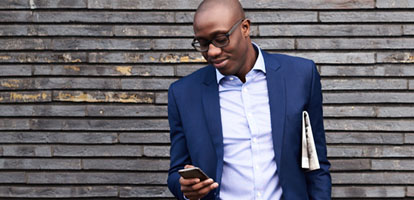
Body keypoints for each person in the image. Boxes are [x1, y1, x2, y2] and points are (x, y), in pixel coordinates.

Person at [167, 0, 331, 199]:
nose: (212, 52)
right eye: (202, 43)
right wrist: (187, 189)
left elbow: (316, 162)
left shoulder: (301, 75)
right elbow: (176, 172)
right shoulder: (183, 94)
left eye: (220, 39)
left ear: (245, 28)